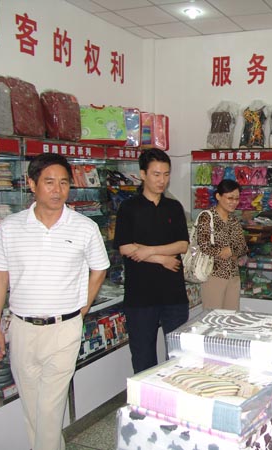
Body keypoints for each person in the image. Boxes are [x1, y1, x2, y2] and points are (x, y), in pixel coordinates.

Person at [0, 153, 110, 450]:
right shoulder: (11, 227)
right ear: (32, 184)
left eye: (64, 183)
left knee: (50, 410)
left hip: (64, 329)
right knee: (33, 409)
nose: (57, 190)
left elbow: (99, 269)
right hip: (22, 329)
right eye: (49, 182)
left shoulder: (84, 227)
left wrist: (82, 308)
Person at [113, 148, 190, 374]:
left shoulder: (173, 207)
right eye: (156, 174)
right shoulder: (129, 207)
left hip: (173, 294)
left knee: (177, 354)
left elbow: (182, 245)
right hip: (140, 295)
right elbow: (125, 247)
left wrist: (147, 251)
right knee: (143, 355)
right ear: (143, 174)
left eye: (166, 174)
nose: (162, 180)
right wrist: (162, 259)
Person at [197, 179, 248, 310]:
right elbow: (203, 245)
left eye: (237, 199)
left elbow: (243, 246)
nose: (234, 202)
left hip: (233, 274)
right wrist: (224, 251)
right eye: (230, 198)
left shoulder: (234, 220)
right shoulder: (207, 217)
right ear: (218, 196)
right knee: (213, 316)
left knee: (231, 316)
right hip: (213, 274)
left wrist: (230, 251)